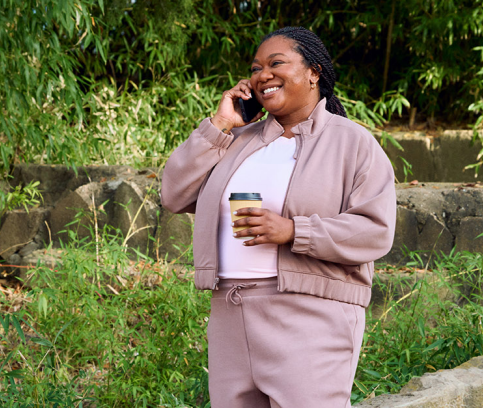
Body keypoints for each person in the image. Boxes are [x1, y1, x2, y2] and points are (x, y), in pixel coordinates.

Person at [160, 26, 397, 408]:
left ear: (314, 72)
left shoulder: (352, 142)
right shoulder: (237, 142)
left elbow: (375, 231)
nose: (262, 75)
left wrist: (292, 230)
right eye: (255, 68)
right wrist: (220, 125)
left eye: (276, 63)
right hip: (230, 312)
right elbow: (172, 194)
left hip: (310, 316)